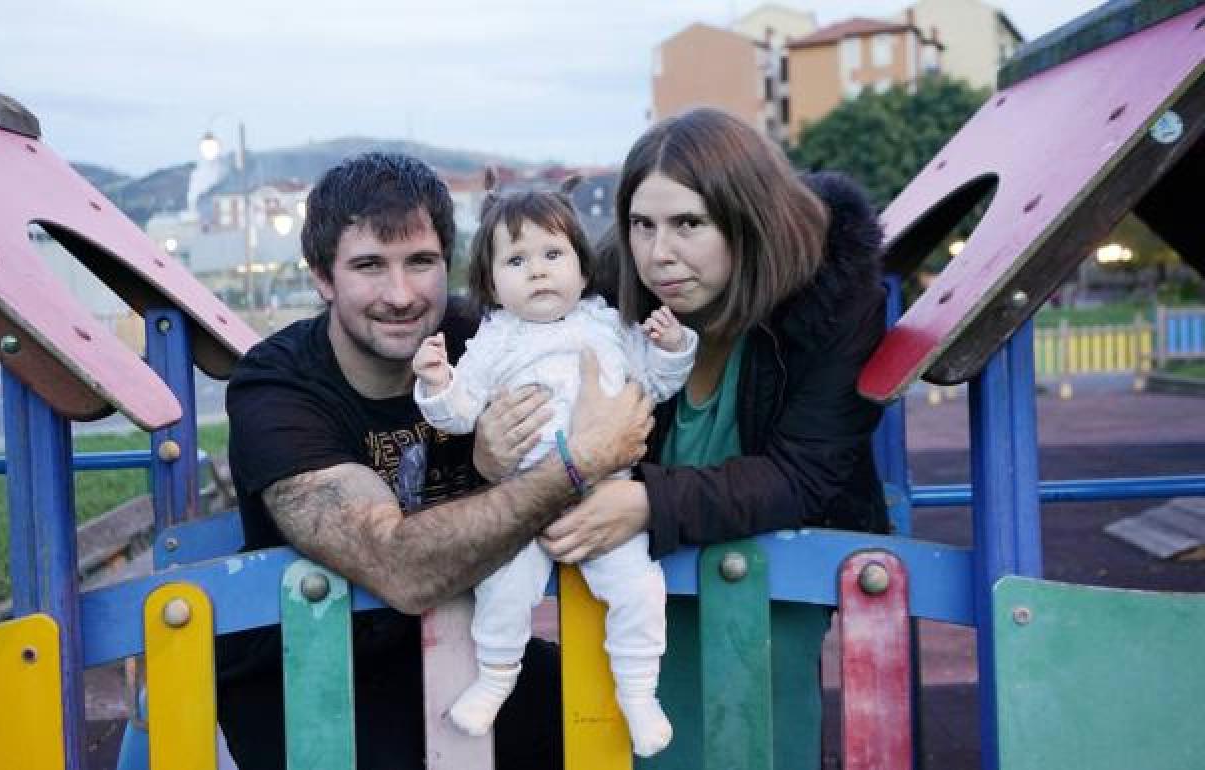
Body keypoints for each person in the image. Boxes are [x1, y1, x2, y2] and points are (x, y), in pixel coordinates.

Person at [215, 152, 654, 770]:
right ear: (322, 277)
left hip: (462, 645)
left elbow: (622, 383)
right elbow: (395, 566)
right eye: (369, 265)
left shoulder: (491, 339)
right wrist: (572, 465)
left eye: (420, 263)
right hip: (307, 669)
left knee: (602, 722)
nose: (399, 295)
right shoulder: (278, 386)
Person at [533, 107, 891, 768]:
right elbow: (511, 332)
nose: (659, 253)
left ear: (746, 220)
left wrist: (646, 501)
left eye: (688, 224)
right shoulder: (615, 286)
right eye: (643, 224)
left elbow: (805, 473)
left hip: (771, 572)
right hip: (636, 583)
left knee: (754, 741)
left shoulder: (829, 297)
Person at [411, 182, 696, 757]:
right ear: (491, 283)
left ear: (582, 267)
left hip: (606, 498)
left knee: (639, 589)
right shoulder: (495, 341)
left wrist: (671, 347)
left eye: (552, 255)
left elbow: (656, 385)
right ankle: (495, 676)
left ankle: (638, 692)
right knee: (503, 586)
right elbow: (462, 412)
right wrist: (437, 383)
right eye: (516, 260)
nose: (537, 272)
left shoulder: (608, 326)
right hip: (526, 497)